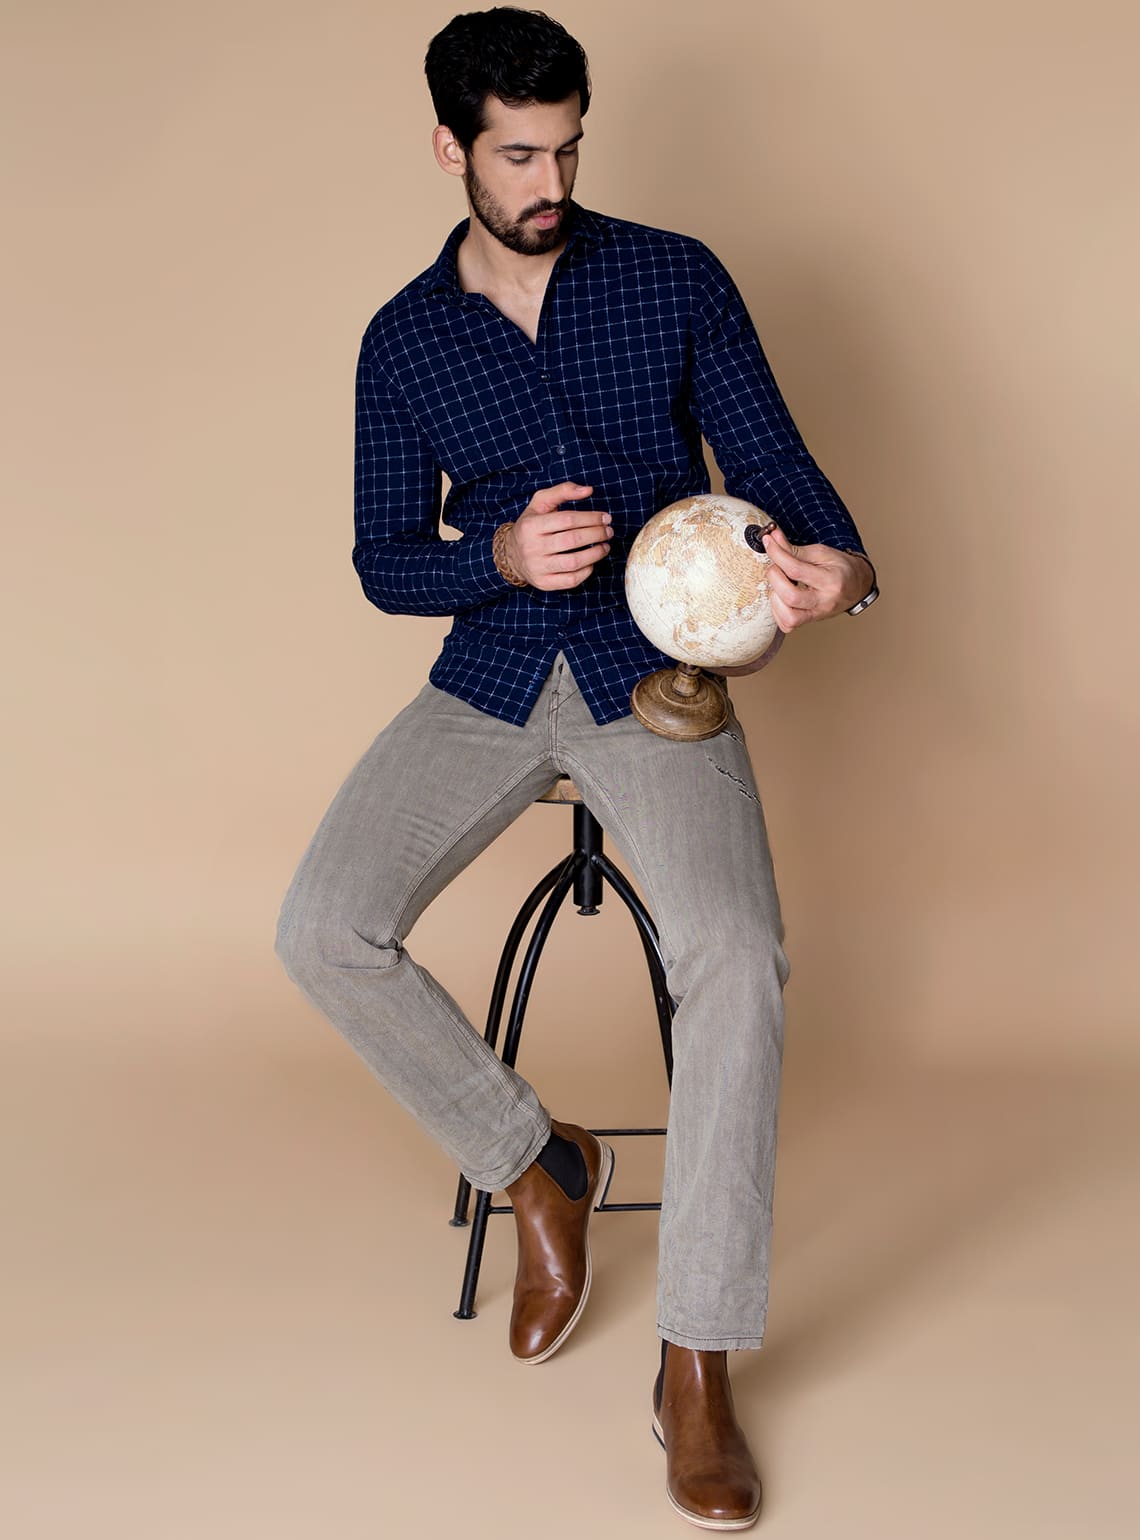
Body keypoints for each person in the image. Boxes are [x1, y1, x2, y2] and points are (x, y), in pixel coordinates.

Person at [275, 7, 877, 1529]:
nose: (551, 182)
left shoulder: (673, 276)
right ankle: (537, 1162)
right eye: (519, 157)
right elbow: (382, 558)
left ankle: (697, 1358)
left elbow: (772, 464)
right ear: (451, 148)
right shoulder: (404, 339)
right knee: (323, 928)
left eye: (568, 149)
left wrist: (845, 567)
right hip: (486, 678)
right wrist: (493, 555)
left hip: (652, 679)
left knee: (735, 955)